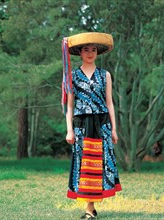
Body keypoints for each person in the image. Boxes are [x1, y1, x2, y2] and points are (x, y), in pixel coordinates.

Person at [61, 32, 122, 220]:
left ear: (98, 52)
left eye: (93, 49)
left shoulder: (105, 75)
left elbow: (110, 103)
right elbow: (69, 106)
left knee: (98, 165)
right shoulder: (72, 75)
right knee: (85, 165)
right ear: (79, 52)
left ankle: (90, 208)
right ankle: (90, 208)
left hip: (101, 124)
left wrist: (113, 128)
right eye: (86, 49)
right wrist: (69, 130)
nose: (90, 53)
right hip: (81, 125)